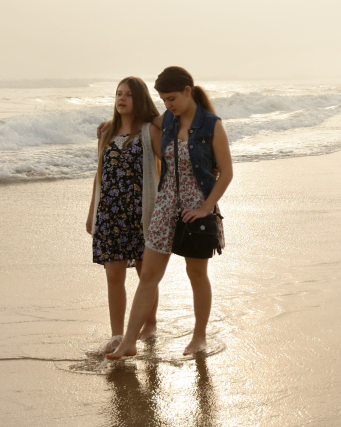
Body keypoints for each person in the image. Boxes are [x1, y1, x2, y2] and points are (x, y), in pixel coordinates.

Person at [107, 66, 233, 359]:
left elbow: (225, 173)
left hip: (197, 206)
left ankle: (199, 337)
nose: (168, 105)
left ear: (188, 92)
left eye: (172, 98)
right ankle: (128, 342)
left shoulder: (212, 125)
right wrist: (110, 123)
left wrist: (205, 208)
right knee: (148, 275)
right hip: (165, 204)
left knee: (196, 273)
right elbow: (140, 121)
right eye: (164, 100)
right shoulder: (167, 121)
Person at [86, 76, 162, 355]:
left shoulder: (149, 131)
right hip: (109, 214)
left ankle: (149, 324)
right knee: (114, 276)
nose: (122, 98)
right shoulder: (106, 133)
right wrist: (92, 213)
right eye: (119, 93)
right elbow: (99, 177)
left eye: (129, 94)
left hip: (141, 214)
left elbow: (168, 161)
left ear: (139, 98)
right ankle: (117, 335)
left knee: (146, 274)